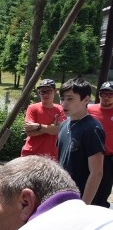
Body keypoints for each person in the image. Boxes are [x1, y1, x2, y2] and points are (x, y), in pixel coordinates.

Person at [56, 78, 107, 207]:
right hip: (62, 195)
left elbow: (97, 172)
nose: (64, 103)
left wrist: (83, 205)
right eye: (62, 98)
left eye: (70, 99)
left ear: (86, 100)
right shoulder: (63, 125)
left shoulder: (92, 128)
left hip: (80, 200)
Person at [20, 78, 65, 159]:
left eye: (49, 91)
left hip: (52, 155)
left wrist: (38, 126)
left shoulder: (60, 109)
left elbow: (58, 130)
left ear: (55, 91)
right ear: (39, 93)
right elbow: (29, 132)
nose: (45, 94)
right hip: (31, 153)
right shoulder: (32, 108)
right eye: (42, 91)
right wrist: (50, 127)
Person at [88, 81, 113, 208]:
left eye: (110, 94)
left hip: (109, 158)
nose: (106, 97)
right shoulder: (89, 109)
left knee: (104, 190)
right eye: (103, 94)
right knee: (87, 186)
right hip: (91, 155)